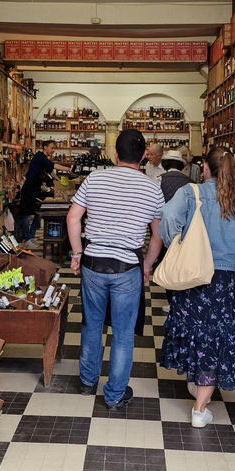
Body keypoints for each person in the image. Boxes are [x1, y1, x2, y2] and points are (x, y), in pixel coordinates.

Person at [158, 146, 235, 427]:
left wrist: (175, 243)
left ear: (204, 168)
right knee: (217, 337)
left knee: (194, 330)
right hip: (222, 280)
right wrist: (232, 259)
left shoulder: (190, 193)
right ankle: (200, 402)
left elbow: (168, 219)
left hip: (192, 275)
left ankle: (199, 402)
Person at [68, 130, 164, 410]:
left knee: (92, 325)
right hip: (127, 267)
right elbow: (157, 235)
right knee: (122, 334)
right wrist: (147, 265)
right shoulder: (152, 188)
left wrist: (77, 253)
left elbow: (73, 217)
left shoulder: (95, 178)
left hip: (93, 262)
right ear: (144, 156)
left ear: (115, 154)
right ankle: (114, 394)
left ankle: (87, 382)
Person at [20, 140, 72, 248]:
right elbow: (53, 166)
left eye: (54, 148)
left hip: (36, 188)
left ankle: (32, 237)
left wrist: (60, 182)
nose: (53, 150)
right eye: (52, 148)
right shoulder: (40, 157)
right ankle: (27, 239)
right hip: (29, 188)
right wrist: (68, 169)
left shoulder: (44, 159)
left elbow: (51, 171)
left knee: (38, 213)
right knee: (27, 214)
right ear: (45, 147)